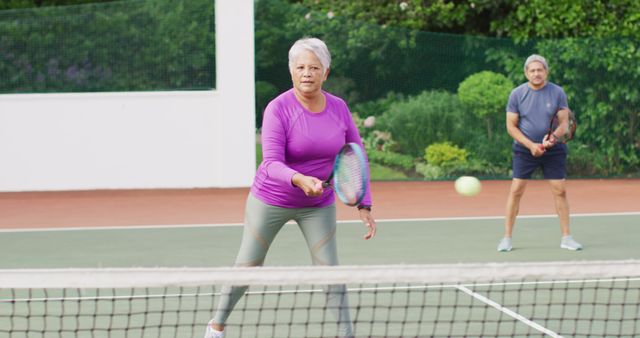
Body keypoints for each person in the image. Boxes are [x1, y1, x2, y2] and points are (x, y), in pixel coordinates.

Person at [204, 37, 377, 338]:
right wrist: (299, 179)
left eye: (314, 67)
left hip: (318, 204)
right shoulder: (278, 109)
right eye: (300, 67)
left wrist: (364, 203)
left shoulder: (339, 108)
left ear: (326, 72)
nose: (307, 73)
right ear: (291, 72)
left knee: (331, 274)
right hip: (272, 199)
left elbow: (355, 153)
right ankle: (216, 327)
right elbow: (271, 163)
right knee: (248, 267)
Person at [497, 54, 582, 252]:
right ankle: (507, 239)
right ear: (526, 73)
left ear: (546, 71)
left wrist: (552, 139)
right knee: (516, 190)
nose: (536, 73)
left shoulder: (558, 92)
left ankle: (566, 238)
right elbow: (511, 126)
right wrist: (531, 146)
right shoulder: (517, 94)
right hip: (524, 150)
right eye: (532, 70)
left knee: (560, 191)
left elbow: (563, 123)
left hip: (554, 150)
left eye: (540, 70)